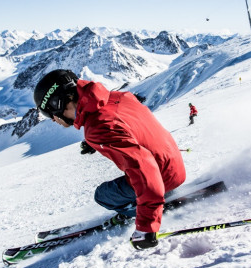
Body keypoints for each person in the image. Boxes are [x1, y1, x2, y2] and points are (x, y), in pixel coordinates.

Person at [33, 69, 186, 250]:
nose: (52, 120)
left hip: (161, 178)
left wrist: (147, 227)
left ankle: (141, 210)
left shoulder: (99, 127)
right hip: (174, 164)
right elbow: (123, 122)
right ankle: (152, 200)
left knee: (103, 195)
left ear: (57, 103)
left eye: (48, 113)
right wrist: (97, 140)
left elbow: (144, 168)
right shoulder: (118, 97)